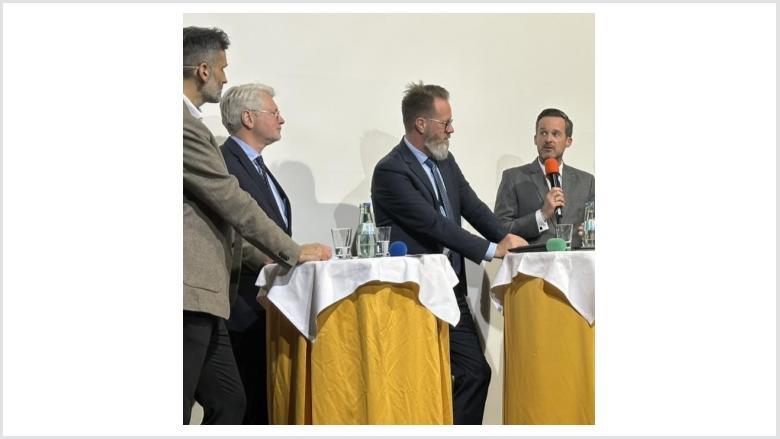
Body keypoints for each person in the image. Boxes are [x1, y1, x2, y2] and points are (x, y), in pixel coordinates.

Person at [182, 27, 331, 425]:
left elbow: (227, 229)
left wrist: (279, 258)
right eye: (221, 68)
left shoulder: (194, 126)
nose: (225, 77)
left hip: (211, 298)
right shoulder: (182, 126)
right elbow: (232, 203)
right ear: (202, 70)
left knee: (231, 404)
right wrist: (293, 252)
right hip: (192, 294)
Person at [370, 81, 527, 424]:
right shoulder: (391, 170)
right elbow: (434, 225)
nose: (452, 130)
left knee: (475, 373)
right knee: (419, 381)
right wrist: (490, 250)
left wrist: (510, 242)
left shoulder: (445, 161)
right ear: (421, 124)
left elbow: (474, 208)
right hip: (413, 293)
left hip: (450, 287)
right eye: (445, 123)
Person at [218, 83, 290, 424]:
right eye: (274, 113)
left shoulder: (260, 167)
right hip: (242, 304)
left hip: (269, 304)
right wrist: (274, 259)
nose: (281, 119)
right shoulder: (224, 162)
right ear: (248, 118)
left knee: (264, 404)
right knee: (244, 407)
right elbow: (231, 229)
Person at [494, 108, 595, 247]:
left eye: (556, 134)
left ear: (568, 141)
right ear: (535, 139)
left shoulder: (587, 182)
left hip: (575, 265)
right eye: (543, 133)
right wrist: (541, 215)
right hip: (532, 265)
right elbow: (498, 230)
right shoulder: (513, 178)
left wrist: (593, 231)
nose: (548, 139)